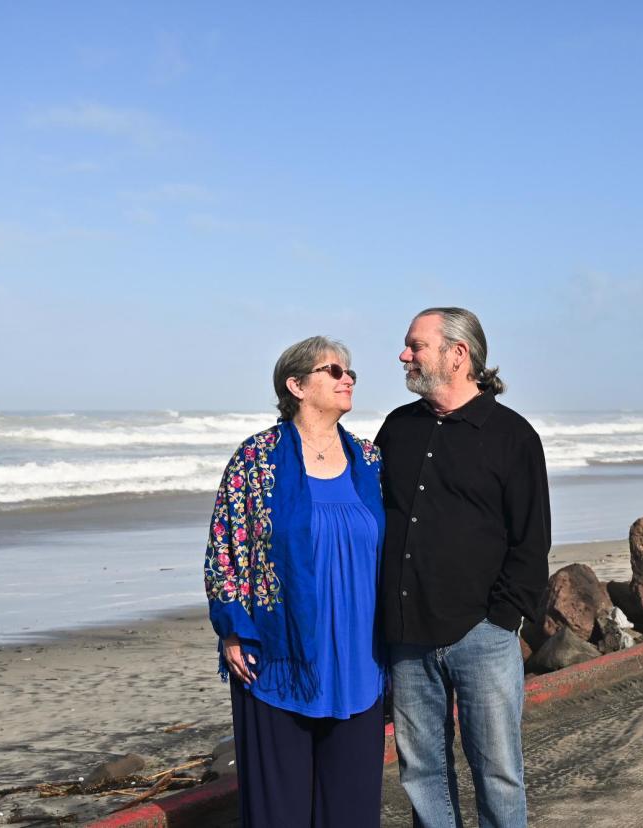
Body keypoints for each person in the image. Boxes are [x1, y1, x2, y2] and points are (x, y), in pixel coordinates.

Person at [377, 307, 551, 828]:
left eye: (416, 345)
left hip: (483, 635)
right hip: (408, 637)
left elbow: (531, 539)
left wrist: (502, 619)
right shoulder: (397, 428)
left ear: (459, 354)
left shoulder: (513, 436)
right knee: (422, 772)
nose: (404, 355)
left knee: (497, 770)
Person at [203, 336, 386, 827]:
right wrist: (233, 629)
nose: (347, 379)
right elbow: (226, 548)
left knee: (351, 812)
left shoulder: (369, 460)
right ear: (296, 384)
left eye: (351, 373)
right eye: (334, 370)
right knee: (277, 813)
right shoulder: (256, 459)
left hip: (358, 662)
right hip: (279, 659)